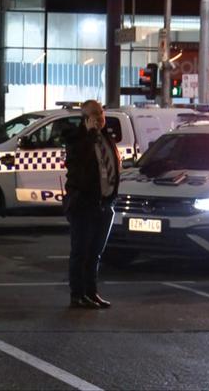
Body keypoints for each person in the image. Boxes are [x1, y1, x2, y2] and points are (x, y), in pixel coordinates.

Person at [63, 100, 120, 309]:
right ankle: (77, 295)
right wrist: (89, 136)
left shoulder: (107, 138)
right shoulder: (77, 141)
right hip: (84, 204)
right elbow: (80, 167)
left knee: (95, 252)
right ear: (85, 118)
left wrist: (112, 196)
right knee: (80, 251)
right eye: (95, 115)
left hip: (105, 204)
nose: (100, 119)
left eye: (102, 114)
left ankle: (91, 292)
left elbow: (111, 166)